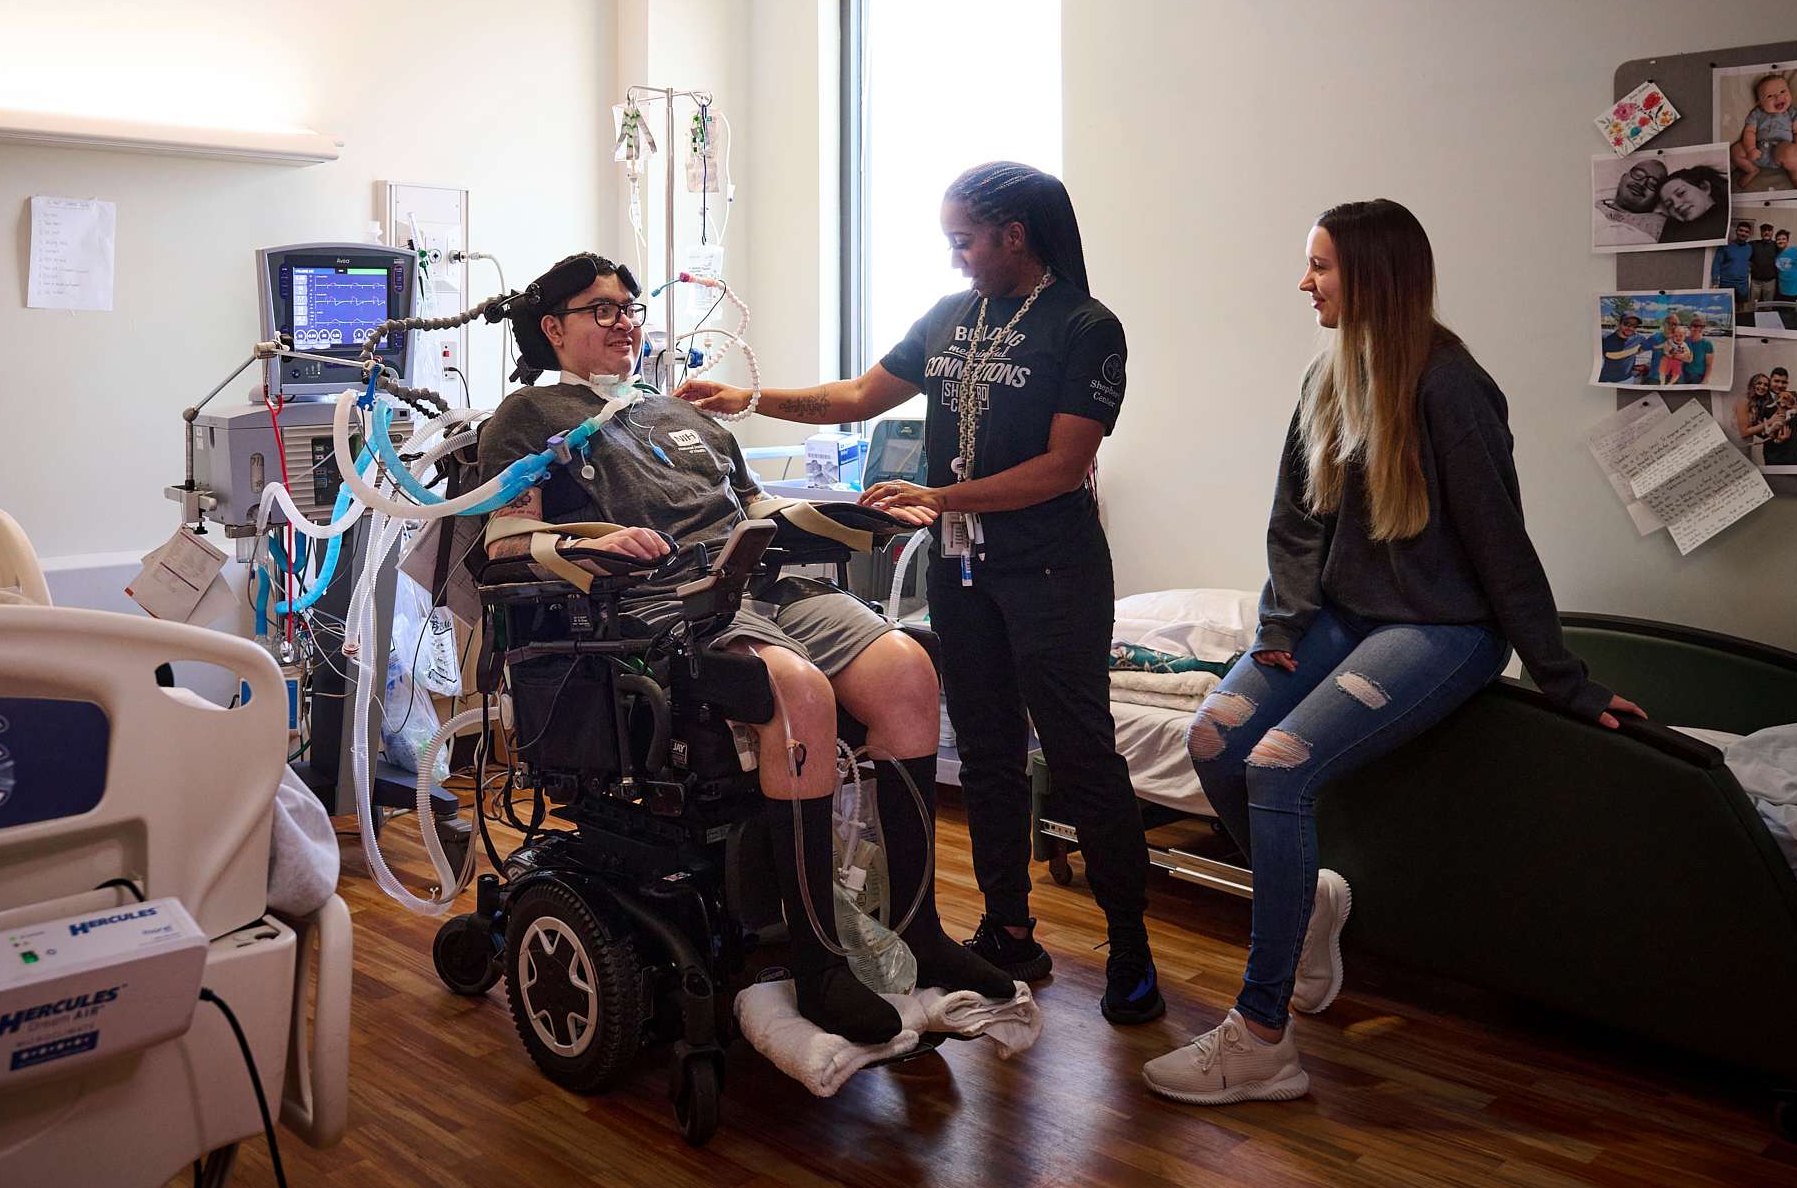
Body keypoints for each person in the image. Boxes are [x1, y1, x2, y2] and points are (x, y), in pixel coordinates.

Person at [1143, 198, 1646, 1106]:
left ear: (1373, 276)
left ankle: (1262, 1038)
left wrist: (1565, 680)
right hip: (1340, 615)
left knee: (1279, 765)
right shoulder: (1328, 374)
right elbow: (1295, 524)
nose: (1305, 282)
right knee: (1212, 739)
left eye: (1321, 267)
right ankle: (1314, 904)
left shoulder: (1453, 388)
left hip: (1444, 629)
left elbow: (1503, 545)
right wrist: (1285, 629)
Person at [477, 253, 1012, 1046]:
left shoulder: (683, 416)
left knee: (907, 669)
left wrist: (856, 516)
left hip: (759, 584)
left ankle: (918, 928)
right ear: (554, 327)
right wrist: (598, 539)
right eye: (602, 310)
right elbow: (505, 538)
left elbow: (759, 510)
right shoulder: (526, 418)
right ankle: (819, 961)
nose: (626, 321)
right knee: (799, 693)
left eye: (630, 306)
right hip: (661, 606)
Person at [681, 163, 1163, 1025]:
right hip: (964, 573)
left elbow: (1064, 467)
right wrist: (744, 397)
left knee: (1083, 757)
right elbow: (857, 396)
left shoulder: (1087, 329)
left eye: (964, 241)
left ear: (1015, 236)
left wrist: (941, 498)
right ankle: (1008, 928)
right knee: (982, 756)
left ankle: (1131, 947)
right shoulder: (949, 320)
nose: (956, 260)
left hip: (1052, 573)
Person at [1733, 70, 1797, 191]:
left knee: (1790, 153)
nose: (1778, 97)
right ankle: (1752, 170)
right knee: (1736, 150)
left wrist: (1795, 150)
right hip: (1758, 152)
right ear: (1760, 103)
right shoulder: (1757, 114)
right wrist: (1750, 149)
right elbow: (1749, 132)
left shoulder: (1791, 113)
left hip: (1781, 152)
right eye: (1770, 96)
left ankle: (1796, 176)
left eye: (1783, 91)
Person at [1654, 164, 1731, 247]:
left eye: (1681, 193)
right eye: (1669, 205)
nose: (1676, 205)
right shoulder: (1672, 228)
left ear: (1704, 187)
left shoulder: (1728, 215)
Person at [1596, 308, 1657, 384]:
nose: (1630, 328)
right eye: (1626, 324)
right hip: (1606, 380)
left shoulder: (1639, 339)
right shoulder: (1605, 339)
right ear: (1619, 324)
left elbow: (1651, 347)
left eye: (1634, 326)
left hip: (1627, 380)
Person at [1713, 219, 1756, 321]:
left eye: (1746, 232)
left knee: (1740, 312)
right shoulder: (1725, 246)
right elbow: (1716, 262)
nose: (1743, 233)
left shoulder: (1750, 248)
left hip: (1742, 285)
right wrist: (1715, 280)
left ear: (1749, 234)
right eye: (1741, 230)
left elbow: (1750, 262)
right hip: (1726, 283)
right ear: (1736, 231)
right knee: (1725, 311)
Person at [1770, 226, 1797, 329]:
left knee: (1793, 316)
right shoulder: (1776, 254)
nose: (1781, 241)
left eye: (1783, 239)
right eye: (1778, 239)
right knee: (1782, 315)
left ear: (1787, 240)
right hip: (1782, 289)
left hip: (1795, 289)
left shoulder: (1796, 251)